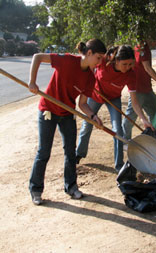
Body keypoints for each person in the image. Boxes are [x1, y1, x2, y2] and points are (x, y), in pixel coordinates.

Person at [28, 39, 107, 205]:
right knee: (44, 152)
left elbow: (83, 104)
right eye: (98, 58)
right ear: (89, 53)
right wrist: (32, 81)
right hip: (48, 110)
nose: (100, 63)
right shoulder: (67, 60)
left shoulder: (90, 78)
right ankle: (36, 189)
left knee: (71, 152)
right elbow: (37, 57)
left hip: (67, 113)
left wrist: (93, 117)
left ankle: (71, 186)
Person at [76, 45, 154, 172]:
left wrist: (143, 119)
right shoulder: (104, 61)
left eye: (131, 64)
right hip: (95, 95)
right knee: (87, 124)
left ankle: (119, 165)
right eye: (125, 64)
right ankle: (79, 153)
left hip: (114, 98)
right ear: (116, 61)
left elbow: (134, 101)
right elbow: (89, 66)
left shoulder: (131, 75)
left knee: (117, 130)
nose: (128, 67)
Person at [122, 40, 156, 141]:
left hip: (147, 89)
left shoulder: (142, 46)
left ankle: (155, 140)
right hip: (138, 89)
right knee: (130, 119)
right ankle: (124, 141)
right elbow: (148, 68)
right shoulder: (142, 47)